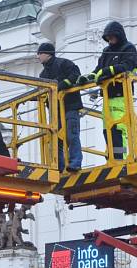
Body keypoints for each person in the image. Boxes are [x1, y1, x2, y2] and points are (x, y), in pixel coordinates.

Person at [77, 21, 137, 160]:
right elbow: (98, 70)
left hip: (121, 95)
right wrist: (87, 78)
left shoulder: (128, 48)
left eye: (112, 37)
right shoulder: (107, 51)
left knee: (118, 129)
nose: (110, 40)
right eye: (108, 38)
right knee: (107, 130)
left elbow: (128, 66)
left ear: (119, 35)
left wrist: (108, 71)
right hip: (107, 96)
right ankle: (111, 156)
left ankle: (119, 157)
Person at [37, 42, 83, 172]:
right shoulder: (43, 74)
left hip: (70, 107)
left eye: (40, 54)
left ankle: (75, 163)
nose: (38, 57)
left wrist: (59, 86)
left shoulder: (64, 64)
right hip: (55, 111)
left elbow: (75, 76)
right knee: (56, 139)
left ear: (48, 54)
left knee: (71, 136)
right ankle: (59, 167)